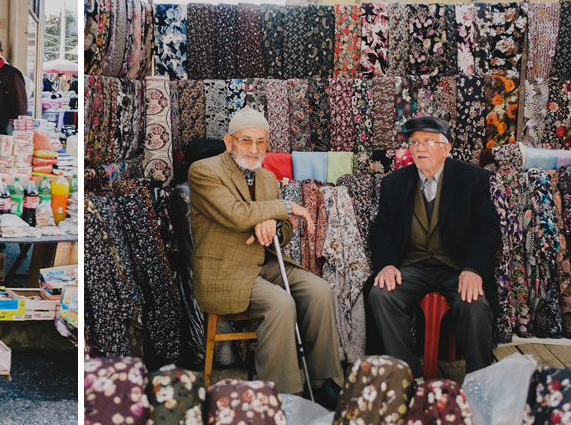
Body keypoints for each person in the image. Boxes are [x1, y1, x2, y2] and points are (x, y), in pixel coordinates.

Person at [188, 107, 344, 408]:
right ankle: (280, 396)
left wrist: (272, 223)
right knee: (280, 303)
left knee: (320, 291)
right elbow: (236, 215)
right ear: (229, 141)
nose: (254, 148)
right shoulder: (204, 171)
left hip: (264, 263)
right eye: (246, 140)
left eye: (261, 142)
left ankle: (324, 381)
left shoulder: (268, 178)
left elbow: (283, 233)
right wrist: (281, 209)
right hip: (226, 272)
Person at [368, 115, 501, 377]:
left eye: (428, 141)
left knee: (473, 303)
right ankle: (408, 373)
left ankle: (481, 378)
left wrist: (473, 268)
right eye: (414, 142)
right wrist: (386, 265)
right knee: (381, 295)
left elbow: (488, 230)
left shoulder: (472, 179)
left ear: (447, 148)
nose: (419, 148)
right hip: (412, 265)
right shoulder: (394, 183)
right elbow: (380, 229)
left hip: (456, 266)